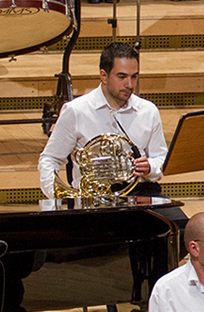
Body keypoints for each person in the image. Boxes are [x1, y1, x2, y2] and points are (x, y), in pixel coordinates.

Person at [39, 42, 167, 204]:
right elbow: (50, 159)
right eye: (122, 77)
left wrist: (150, 167)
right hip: (93, 199)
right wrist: (57, 196)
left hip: (142, 193)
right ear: (103, 76)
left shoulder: (148, 110)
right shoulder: (76, 111)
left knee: (182, 218)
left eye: (134, 76)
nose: (129, 84)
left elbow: (160, 158)